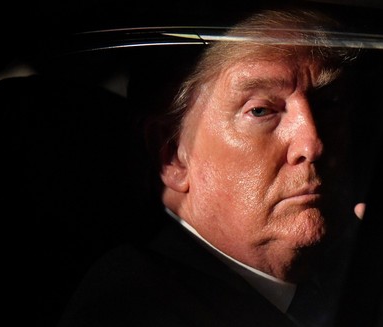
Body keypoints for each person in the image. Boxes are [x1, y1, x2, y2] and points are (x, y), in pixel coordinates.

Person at [57, 7, 366, 327]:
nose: (312, 143)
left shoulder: (354, 268)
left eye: (329, 103)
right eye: (260, 111)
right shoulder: (131, 311)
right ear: (173, 154)